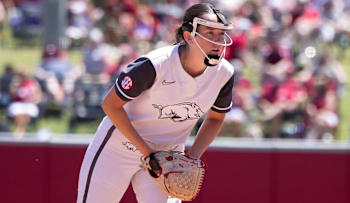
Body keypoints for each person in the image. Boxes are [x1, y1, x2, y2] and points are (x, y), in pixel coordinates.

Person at [77, 3, 235, 203]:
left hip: (167, 159)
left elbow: (216, 118)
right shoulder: (154, 65)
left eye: (221, 33)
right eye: (210, 32)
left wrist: (192, 156)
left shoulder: (224, 73)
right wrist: (148, 154)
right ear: (188, 36)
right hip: (117, 150)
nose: (218, 40)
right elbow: (110, 105)